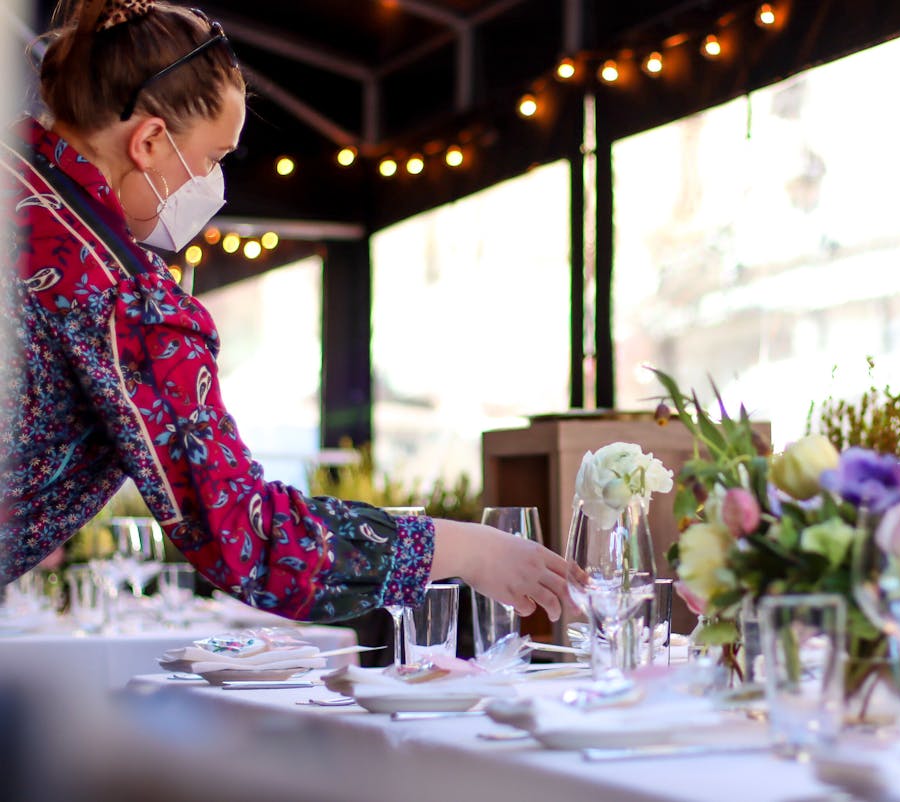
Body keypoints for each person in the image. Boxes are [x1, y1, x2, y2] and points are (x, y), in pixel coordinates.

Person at [0, 0, 573, 624]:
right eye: (215, 159)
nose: (214, 186)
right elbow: (250, 540)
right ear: (149, 141)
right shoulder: (124, 301)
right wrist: (465, 548)